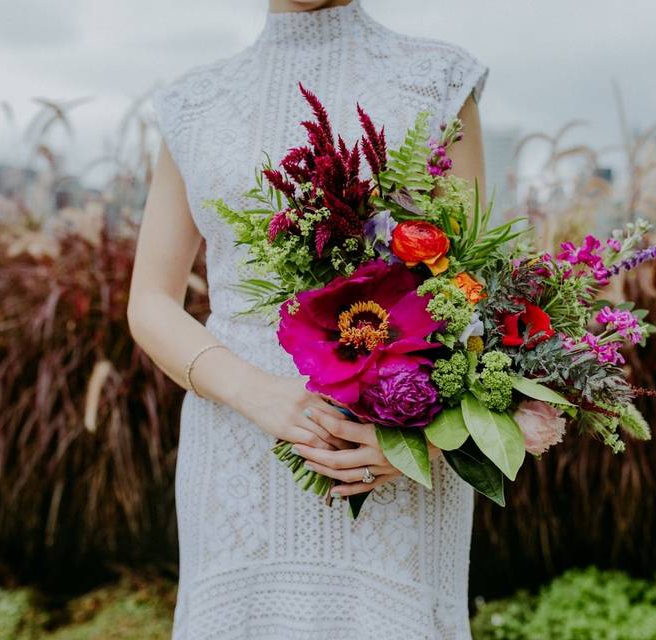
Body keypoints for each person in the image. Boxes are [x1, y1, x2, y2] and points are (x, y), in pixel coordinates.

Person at [127, 1, 488, 637]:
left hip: (389, 450)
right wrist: (256, 393)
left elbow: (476, 287)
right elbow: (151, 302)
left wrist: (423, 442)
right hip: (236, 445)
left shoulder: (438, 78)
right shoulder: (191, 102)